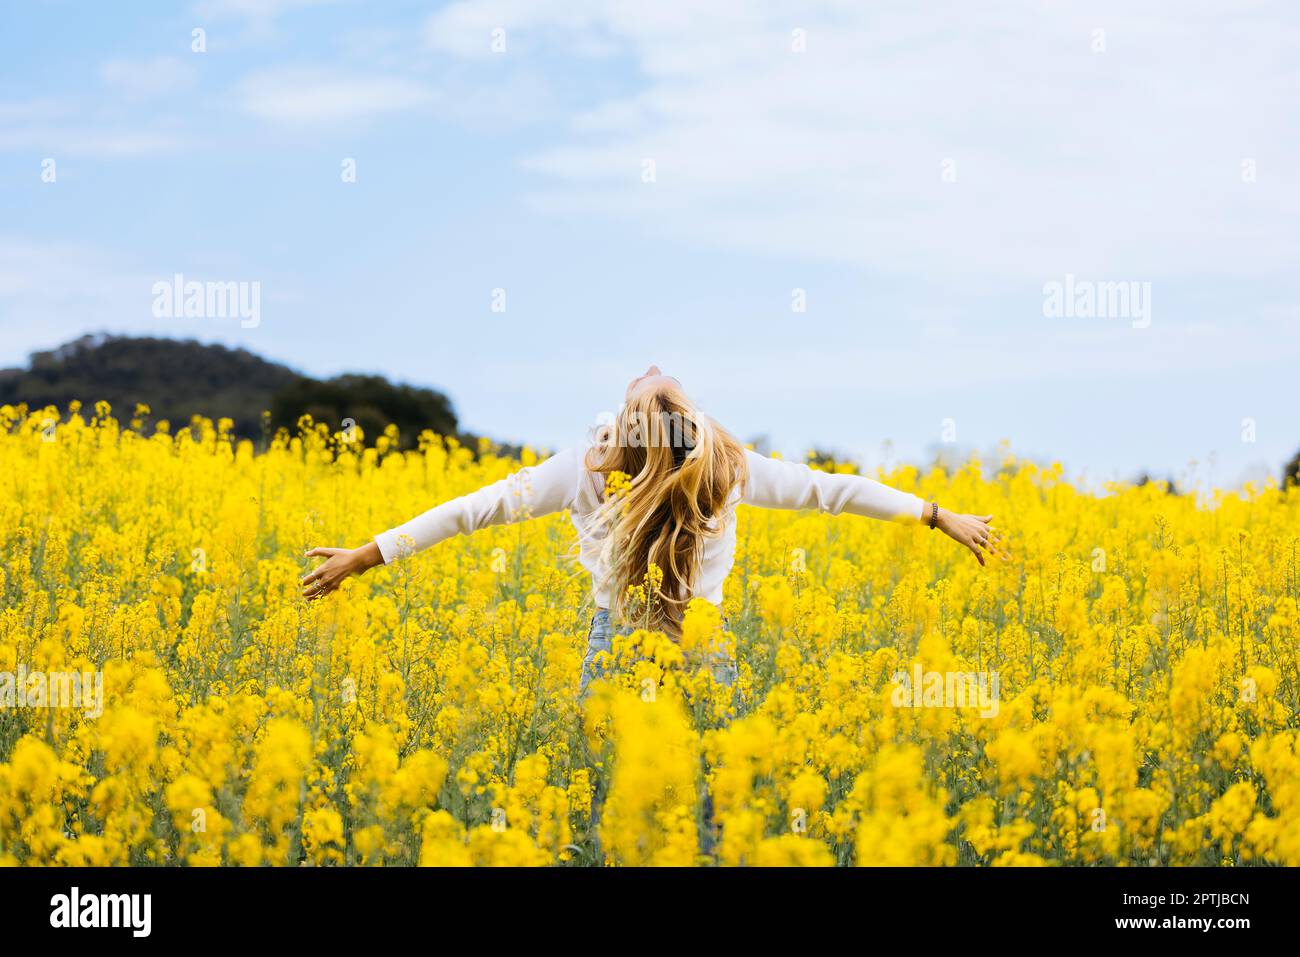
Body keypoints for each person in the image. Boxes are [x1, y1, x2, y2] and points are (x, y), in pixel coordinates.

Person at [300, 365, 1002, 693]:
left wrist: (366, 556)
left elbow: (469, 511)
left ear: (627, 427)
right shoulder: (725, 468)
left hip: (613, 648)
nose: (651, 370)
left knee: (614, 799)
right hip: (704, 643)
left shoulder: (586, 467)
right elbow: (835, 492)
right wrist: (940, 516)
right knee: (711, 805)